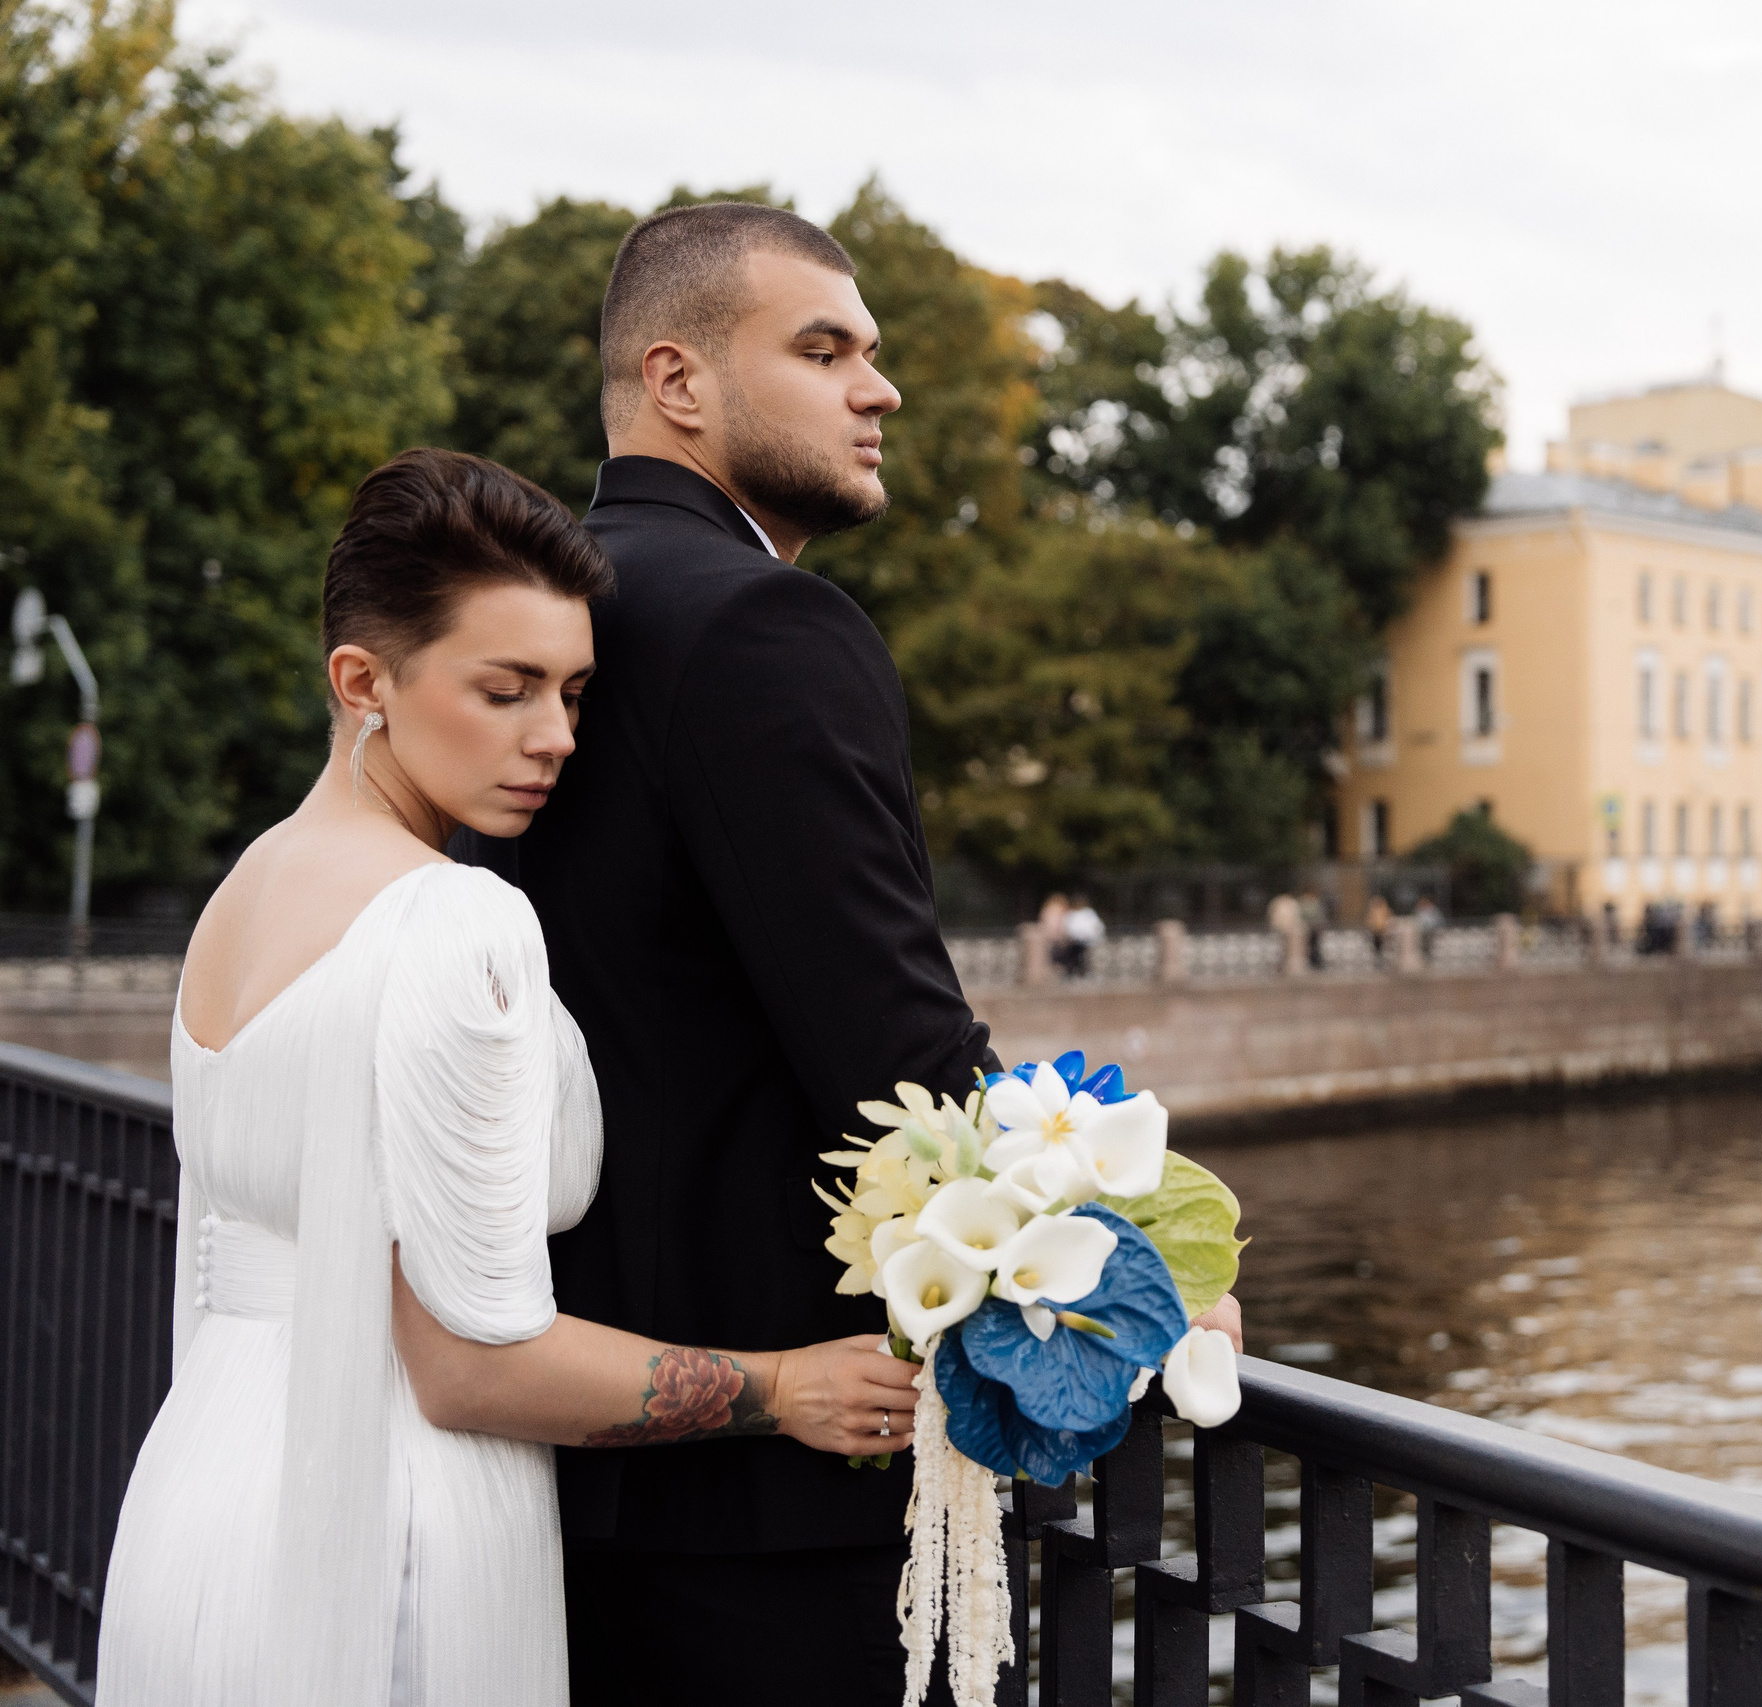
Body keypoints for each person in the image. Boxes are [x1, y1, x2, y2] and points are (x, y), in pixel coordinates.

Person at [455, 203, 1237, 1704]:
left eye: (872, 353)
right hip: (782, 1491)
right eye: (825, 350)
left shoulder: (530, 621)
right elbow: (891, 1042)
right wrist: (1136, 1268)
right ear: (678, 381)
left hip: (560, 1449)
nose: (879, 388)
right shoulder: (763, 622)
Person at [98, 450, 917, 1707]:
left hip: (199, 1505)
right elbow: (473, 1366)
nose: (557, 739)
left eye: (577, 692)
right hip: (395, 1528)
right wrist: (782, 1387)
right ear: (362, 682)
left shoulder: (246, 892)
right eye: (506, 689)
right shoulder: (453, 920)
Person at [1061, 893, 1105, 978]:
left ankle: (1083, 972)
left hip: (1086, 940)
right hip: (1074, 941)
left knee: (1083, 957)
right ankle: (1073, 972)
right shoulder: (1072, 914)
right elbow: (1069, 928)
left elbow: (1095, 927)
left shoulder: (1088, 913)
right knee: (1074, 956)